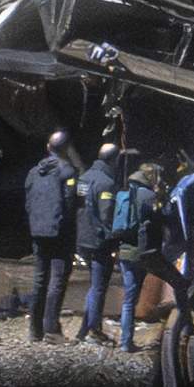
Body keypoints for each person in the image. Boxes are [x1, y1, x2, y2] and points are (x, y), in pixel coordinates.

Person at [22, 131, 78, 343]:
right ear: (66, 149)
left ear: (48, 147)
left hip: (38, 231)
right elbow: (70, 202)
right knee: (57, 279)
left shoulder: (33, 172)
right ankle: (52, 329)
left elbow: (28, 202)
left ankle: (34, 330)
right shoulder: (68, 171)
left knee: (39, 279)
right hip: (60, 233)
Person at [113, 162, 167, 351]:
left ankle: (125, 341)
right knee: (133, 296)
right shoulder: (149, 196)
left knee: (128, 298)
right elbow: (162, 219)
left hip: (124, 250)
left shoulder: (123, 194)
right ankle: (127, 340)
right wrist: (161, 196)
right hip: (142, 252)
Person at [74, 141, 122, 342]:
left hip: (83, 238)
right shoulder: (107, 183)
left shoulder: (83, 179)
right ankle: (94, 330)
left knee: (95, 285)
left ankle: (83, 329)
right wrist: (116, 237)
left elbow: (79, 206)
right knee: (99, 287)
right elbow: (106, 215)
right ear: (114, 159)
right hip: (99, 241)